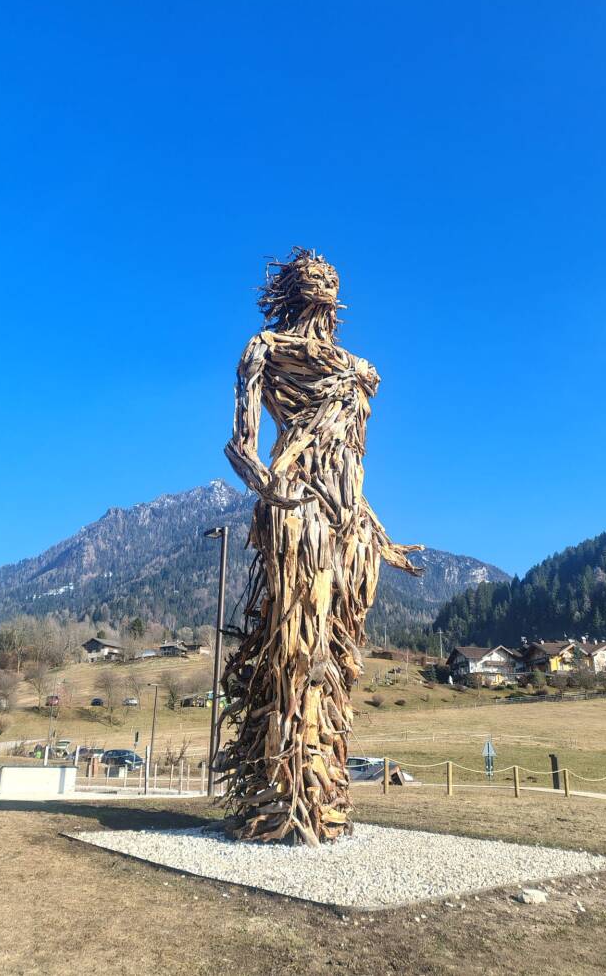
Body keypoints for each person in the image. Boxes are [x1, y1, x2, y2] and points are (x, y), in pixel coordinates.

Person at [220, 248, 422, 844]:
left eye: (330, 276)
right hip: (299, 509)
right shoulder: (265, 349)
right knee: (295, 645)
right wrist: (270, 486)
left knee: (338, 653)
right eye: (313, 275)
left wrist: (372, 527)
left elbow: (353, 455)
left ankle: (325, 787)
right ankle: (283, 793)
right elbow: (239, 444)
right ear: (292, 286)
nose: (324, 281)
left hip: (350, 519)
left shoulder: (360, 369)